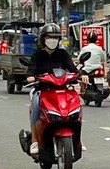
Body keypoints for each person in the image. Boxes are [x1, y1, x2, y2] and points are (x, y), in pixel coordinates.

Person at [27, 24, 78, 156]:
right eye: (50, 37)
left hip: (62, 89)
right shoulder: (38, 55)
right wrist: (31, 77)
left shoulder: (62, 54)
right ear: (43, 39)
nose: (53, 40)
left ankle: (78, 141)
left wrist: (81, 75)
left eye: (56, 37)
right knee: (36, 108)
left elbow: (73, 69)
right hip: (42, 89)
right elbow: (31, 69)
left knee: (76, 107)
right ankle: (34, 140)